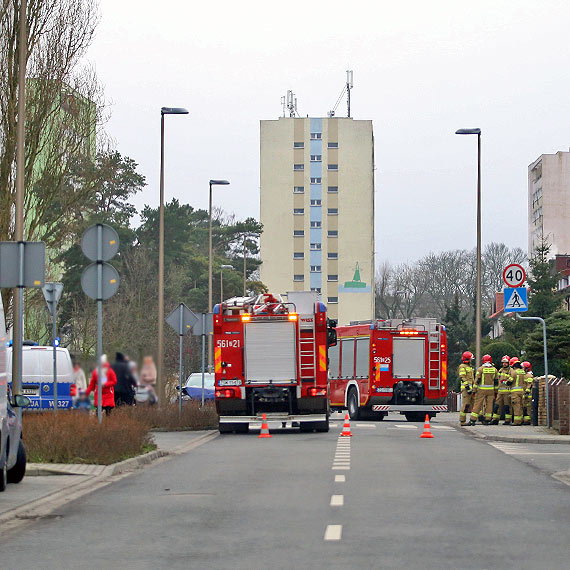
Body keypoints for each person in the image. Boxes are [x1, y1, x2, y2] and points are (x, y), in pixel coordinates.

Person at [468, 354, 497, 426]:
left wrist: (474, 390)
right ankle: (487, 420)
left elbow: (477, 380)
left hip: (481, 390)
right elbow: (496, 381)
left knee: (478, 404)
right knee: (489, 405)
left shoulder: (480, 369)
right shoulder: (494, 369)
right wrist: (496, 392)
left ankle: (473, 420)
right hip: (491, 390)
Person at [492, 355, 512, 425]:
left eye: (506, 362)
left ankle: (508, 420)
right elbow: (498, 380)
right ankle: (495, 420)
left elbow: (510, 381)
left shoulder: (511, 371)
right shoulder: (500, 370)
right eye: (503, 362)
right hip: (500, 392)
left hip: (507, 392)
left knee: (507, 407)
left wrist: (505, 382)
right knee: (497, 406)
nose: (504, 364)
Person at [458, 351, 475, 426]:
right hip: (466, 389)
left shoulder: (469, 367)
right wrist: (467, 387)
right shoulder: (462, 366)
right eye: (470, 359)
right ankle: (462, 421)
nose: (471, 361)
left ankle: (474, 419)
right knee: (466, 405)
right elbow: (462, 377)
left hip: (471, 389)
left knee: (474, 404)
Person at [509, 357, 526, 426]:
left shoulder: (514, 372)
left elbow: (509, 382)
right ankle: (521, 420)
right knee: (521, 406)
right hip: (522, 392)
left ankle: (517, 421)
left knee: (516, 406)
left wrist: (504, 382)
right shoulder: (523, 372)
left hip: (515, 392)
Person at [522, 361, 534, 425]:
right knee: (524, 408)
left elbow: (529, 384)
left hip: (528, 395)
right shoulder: (525, 375)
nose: (522, 369)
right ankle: (525, 420)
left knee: (528, 408)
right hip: (525, 394)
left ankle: (527, 421)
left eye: (523, 367)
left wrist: (527, 392)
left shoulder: (529, 375)